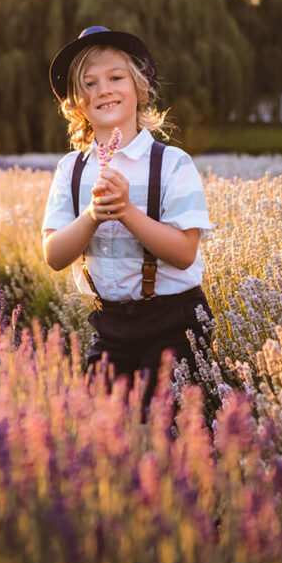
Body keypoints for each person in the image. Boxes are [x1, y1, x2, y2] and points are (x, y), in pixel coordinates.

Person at [39, 26, 219, 425]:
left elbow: (184, 252)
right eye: (89, 83)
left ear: (140, 88)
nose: (103, 89)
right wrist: (91, 217)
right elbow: (53, 255)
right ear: (76, 103)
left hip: (175, 324)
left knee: (166, 432)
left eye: (116, 78)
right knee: (105, 434)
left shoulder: (172, 164)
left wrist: (128, 213)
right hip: (110, 325)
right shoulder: (72, 170)